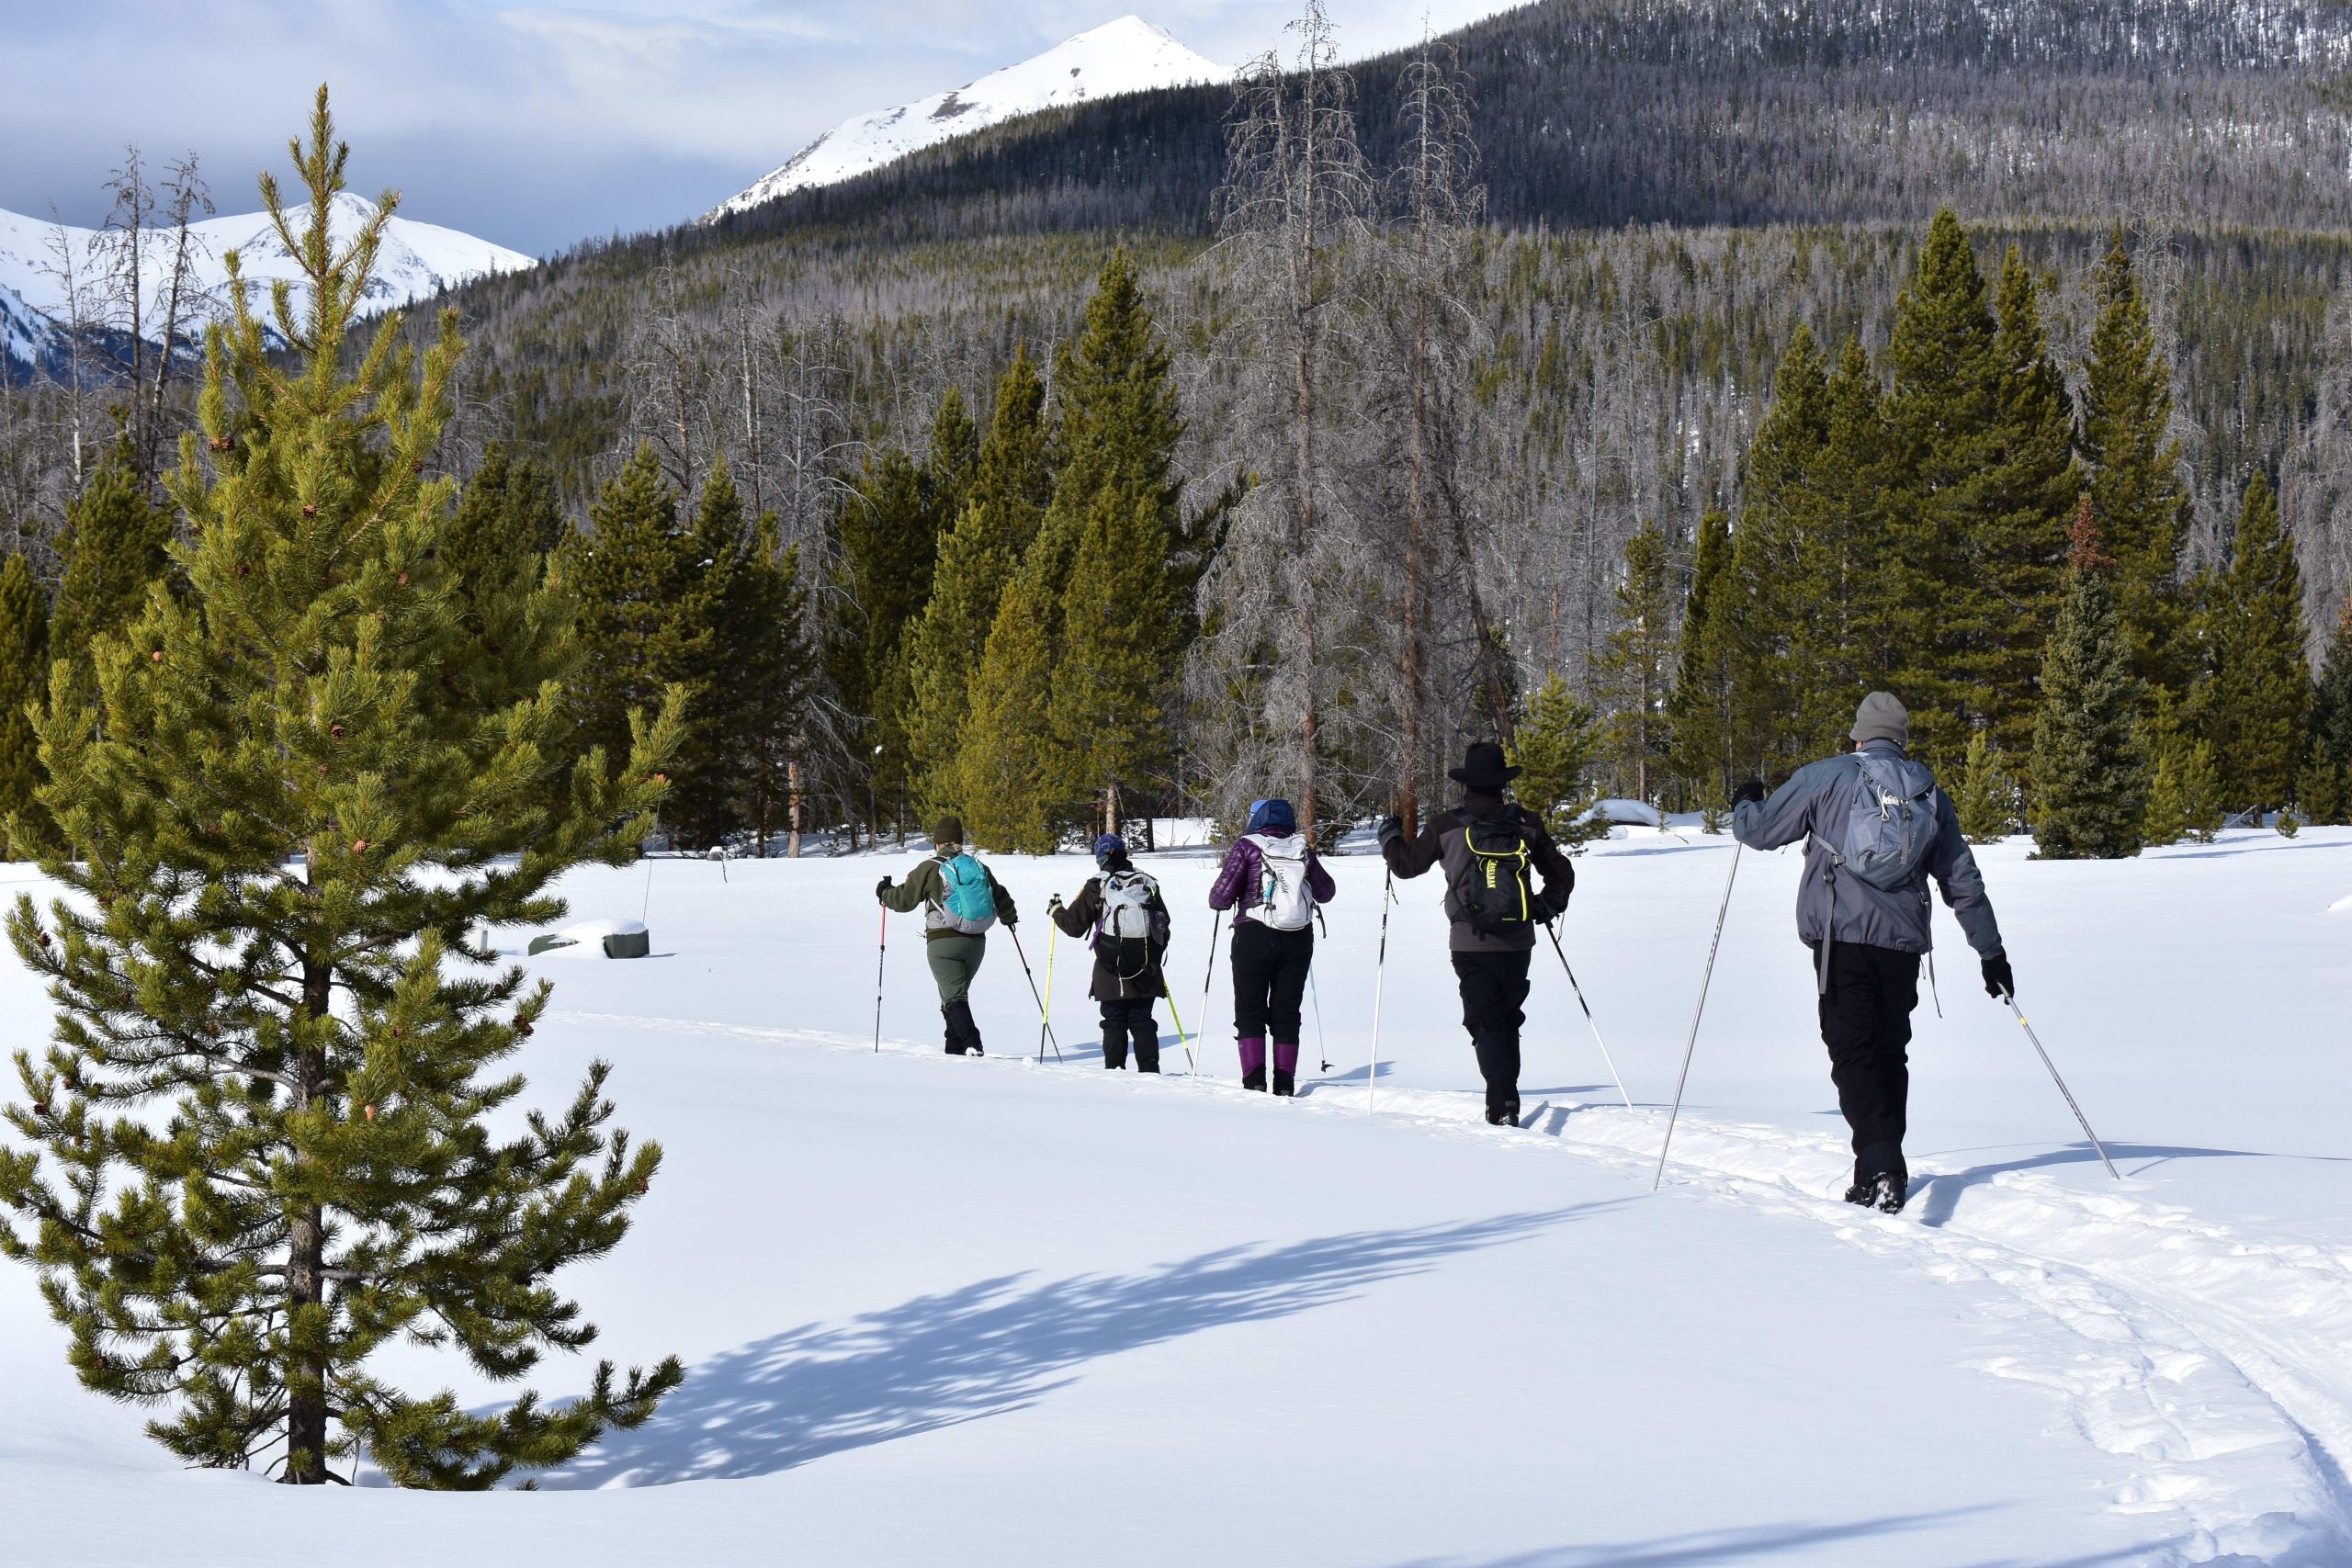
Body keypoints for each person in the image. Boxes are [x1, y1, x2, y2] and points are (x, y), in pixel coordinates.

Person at [1731, 692, 2013, 1214]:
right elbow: (1962, 880)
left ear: (1858, 734)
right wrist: (1990, 953)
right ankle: (1875, 1172)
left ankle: (1883, 1166)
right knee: (1889, 1051)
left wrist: (1746, 799)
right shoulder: (1928, 790)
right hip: (1902, 943)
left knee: (1852, 1049)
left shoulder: (1827, 775)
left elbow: (1760, 832)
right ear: (1901, 740)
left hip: (1841, 936)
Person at [1378, 742, 1577, 1126]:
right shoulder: (1528, 822)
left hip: (1470, 941)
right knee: (1506, 1016)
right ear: (1503, 782)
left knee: (1485, 1020)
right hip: (1518, 941)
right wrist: (1543, 907)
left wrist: (1389, 838)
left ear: (1466, 784)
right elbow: (1562, 874)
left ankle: (1501, 1104)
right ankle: (1505, 1100)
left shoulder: (1446, 825)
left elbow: (1405, 867)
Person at [1206, 797, 1335, 1094]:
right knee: (1287, 1011)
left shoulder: (1247, 846)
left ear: (1256, 818)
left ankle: (1254, 1083)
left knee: (1250, 1009)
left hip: (1253, 935)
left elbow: (1219, 898)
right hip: (1298, 938)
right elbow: (1327, 892)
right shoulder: (1300, 848)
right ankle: (1285, 1085)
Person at [876, 814, 1019, 1056]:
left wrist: (884, 892)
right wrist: (1009, 918)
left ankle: (973, 1045)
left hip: (943, 943)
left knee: (954, 996)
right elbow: (1001, 896)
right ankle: (954, 1053)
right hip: (976, 943)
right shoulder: (978, 867)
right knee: (951, 997)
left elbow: (904, 900)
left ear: (938, 843)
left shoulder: (930, 867)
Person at [1047, 834, 1173, 1073]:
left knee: (1113, 1019)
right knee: (1142, 1019)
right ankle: (1150, 1073)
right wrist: (1152, 954)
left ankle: (1115, 1073)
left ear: (1100, 858)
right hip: (1146, 965)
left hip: (1109, 965)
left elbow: (1074, 927)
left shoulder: (1097, 884)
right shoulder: (1147, 882)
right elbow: (1164, 925)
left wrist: (1056, 911)